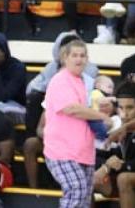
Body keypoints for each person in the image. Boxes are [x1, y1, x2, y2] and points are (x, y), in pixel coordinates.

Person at [44, 38, 111, 208]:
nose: (79, 59)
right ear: (64, 58)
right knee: (76, 190)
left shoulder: (82, 81)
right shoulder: (60, 80)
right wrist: (101, 117)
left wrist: (102, 112)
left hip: (83, 150)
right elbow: (71, 109)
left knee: (84, 199)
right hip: (62, 150)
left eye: (82, 55)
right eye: (74, 55)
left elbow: (84, 110)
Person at [25, 32, 99, 146]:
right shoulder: (51, 66)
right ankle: (33, 135)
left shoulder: (90, 69)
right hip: (53, 101)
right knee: (34, 97)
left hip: (78, 103)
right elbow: (32, 87)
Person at [93, 81, 135, 207]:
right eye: (121, 108)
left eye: (130, 107)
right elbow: (116, 153)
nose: (124, 114)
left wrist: (113, 166)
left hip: (129, 173)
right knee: (88, 178)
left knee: (124, 179)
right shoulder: (122, 128)